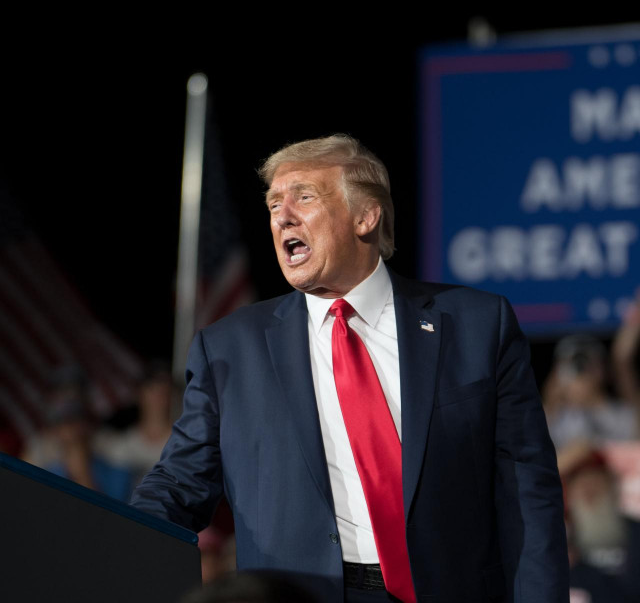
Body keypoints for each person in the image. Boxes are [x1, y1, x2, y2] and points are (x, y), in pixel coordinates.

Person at [131, 134, 568, 602]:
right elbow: (179, 485)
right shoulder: (229, 349)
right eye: (273, 203)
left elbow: (528, 496)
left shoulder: (478, 326)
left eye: (303, 196)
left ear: (366, 216)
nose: (282, 216)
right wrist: (108, 535)